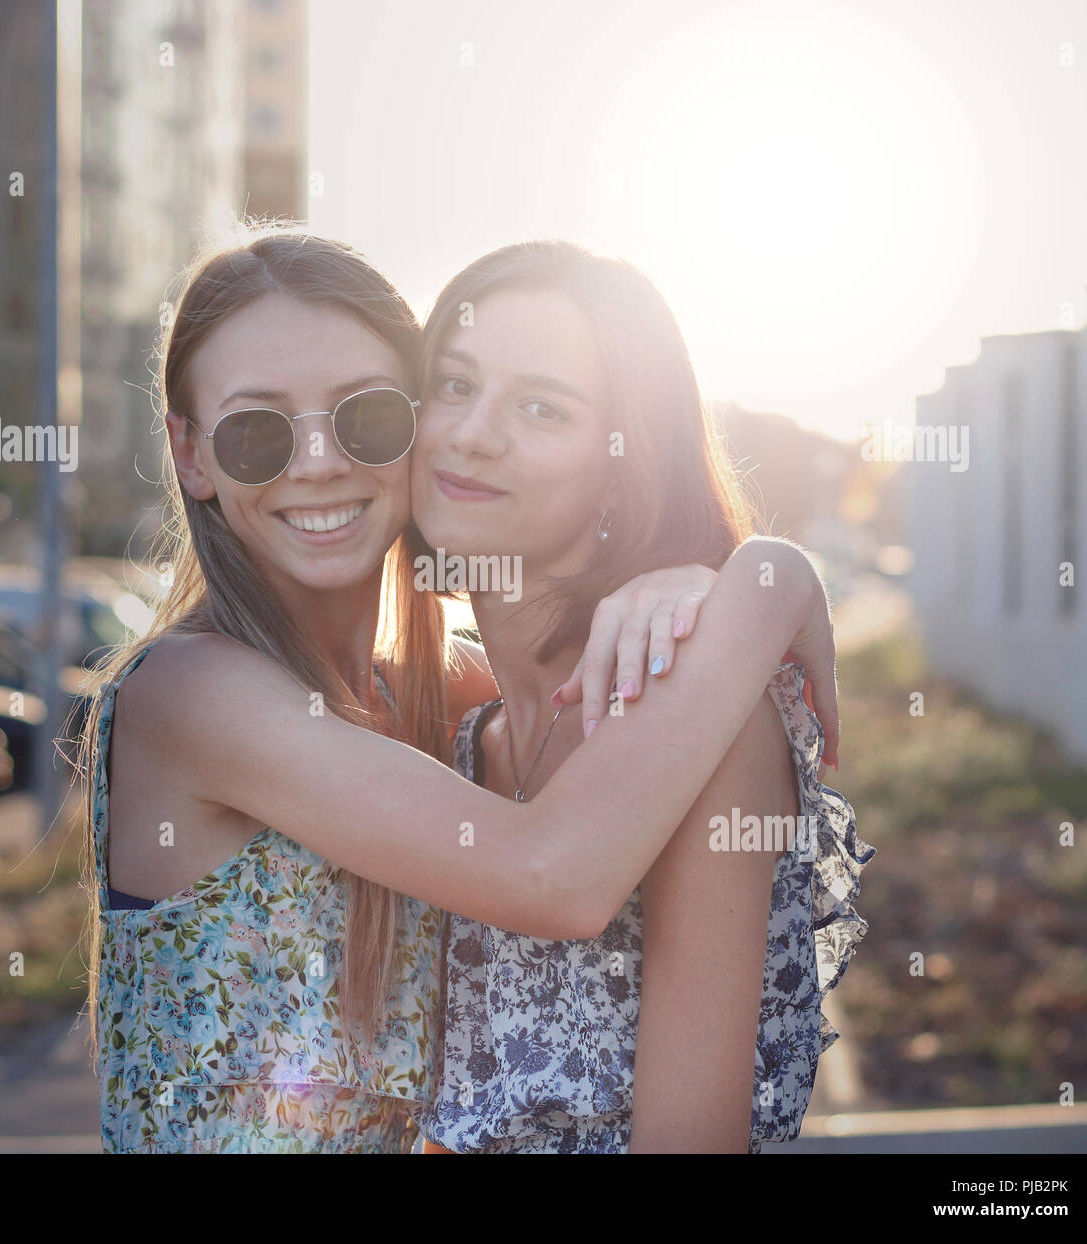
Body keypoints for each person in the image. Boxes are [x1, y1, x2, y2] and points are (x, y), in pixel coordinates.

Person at [84, 225, 840, 1153]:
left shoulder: (452, 717)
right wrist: (771, 584)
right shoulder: (193, 694)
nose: (317, 461)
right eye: (255, 431)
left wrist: (709, 588)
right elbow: (551, 875)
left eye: (364, 413)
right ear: (190, 455)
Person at [409, 240, 873, 1153]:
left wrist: (764, 576)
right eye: (454, 385)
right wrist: (766, 580)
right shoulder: (460, 733)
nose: (472, 433)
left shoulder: (697, 712)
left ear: (625, 466)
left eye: (543, 407)